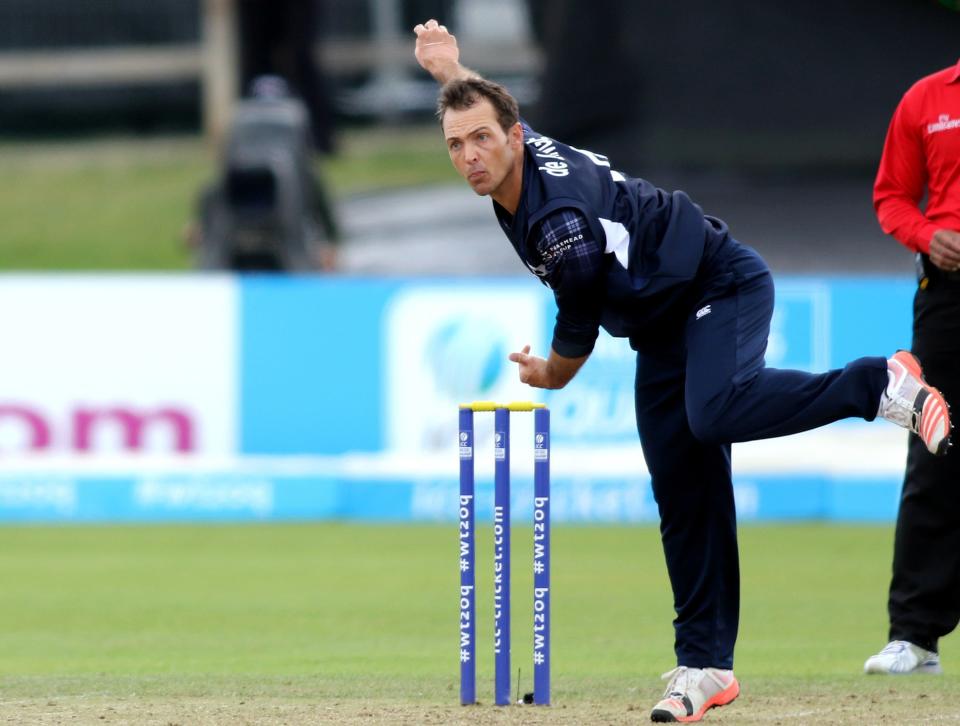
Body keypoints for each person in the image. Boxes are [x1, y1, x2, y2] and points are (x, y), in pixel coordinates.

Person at [414, 19, 955, 722]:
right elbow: (481, 108)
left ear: (516, 139)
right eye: (457, 145)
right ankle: (705, 667)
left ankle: (878, 385)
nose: (470, 156)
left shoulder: (560, 222)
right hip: (661, 321)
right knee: (682, 487)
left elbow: (574, 334)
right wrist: (449, 70)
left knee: (716, 411)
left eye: (482, 139)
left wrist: (548, 374)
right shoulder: (513, 148)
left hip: (717, 284)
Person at [863, 58, 960, 677]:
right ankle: (914, 638)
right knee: (937, 450)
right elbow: (891, 198)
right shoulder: (926, 98)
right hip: (949, 295)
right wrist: (927, 235)